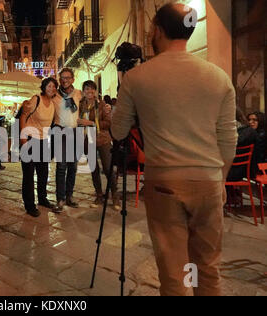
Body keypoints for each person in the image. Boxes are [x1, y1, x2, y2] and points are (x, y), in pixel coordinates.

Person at [111, 3, 237, 296]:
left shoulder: (136, 78)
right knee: (207, 269)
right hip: (208, 182)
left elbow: (117, 130)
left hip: (164, 183)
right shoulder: (218, 77)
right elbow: (228, 139)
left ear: (157, 30)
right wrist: (221, 179)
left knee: (174, 276)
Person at [78, 81, 121, 210]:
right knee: (94, 169)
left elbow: (108, 123)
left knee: (108, 168)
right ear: (84, 91)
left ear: (95, 91)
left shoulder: (102, 105)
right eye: (86, 89)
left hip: (103, 140)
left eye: (92, 89)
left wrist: (90, 123)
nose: (89, 92)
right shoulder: (80, 105)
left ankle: (114, 195)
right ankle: (99, 195)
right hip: (87, 140)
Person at [20, 78, 58, 217]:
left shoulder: (53, 103)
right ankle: (29, 205)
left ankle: (42, 199)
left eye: (54, 86)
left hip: (43, 141)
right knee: (29, 174)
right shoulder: (36, 99)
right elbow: (23, 115)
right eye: (49, 86)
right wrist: (23, 138)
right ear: (44, 87)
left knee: (43, 173)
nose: (52, 88)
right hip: (30, 140)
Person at [53, 68, 83, 212]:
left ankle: (69, 196)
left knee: (73, 166)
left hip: (75, 132)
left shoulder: (79, 94)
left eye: (67, 77)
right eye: (62, 78)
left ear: (72, 79)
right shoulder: (54, 95)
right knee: (61, 167)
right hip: (60, 131)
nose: (64, 80)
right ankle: (60, 199)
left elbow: (88, 108)